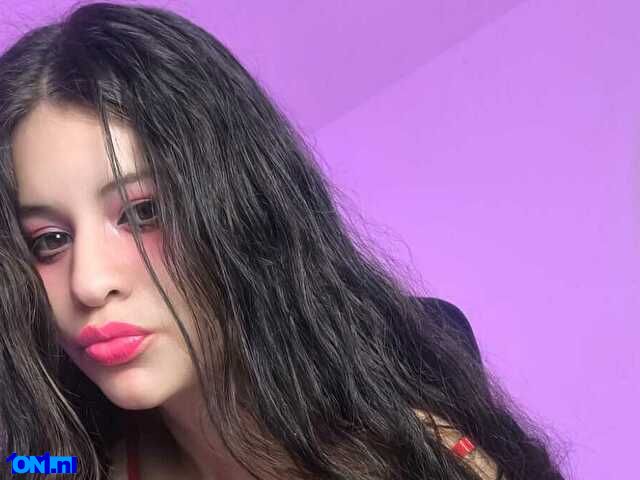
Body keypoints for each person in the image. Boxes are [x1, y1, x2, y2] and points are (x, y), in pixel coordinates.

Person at [0, 3, 567, 479]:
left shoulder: (410, 424)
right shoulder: (64, 457)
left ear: (242, 205)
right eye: (49, 240)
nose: (89, 282)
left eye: (143, 212)